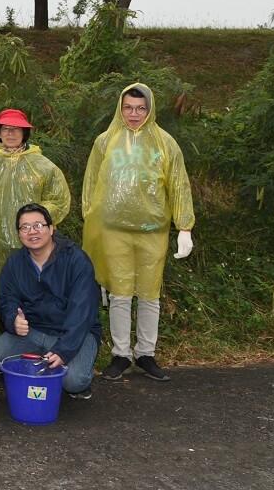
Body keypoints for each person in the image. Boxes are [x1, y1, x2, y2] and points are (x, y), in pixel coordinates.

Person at [82, 83, 195, 382]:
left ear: (150, 109)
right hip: (113, 231)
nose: (134, 114)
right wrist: (91, 221)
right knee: (120, 295)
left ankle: (146, 353)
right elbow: (91, 184)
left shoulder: (165, 143)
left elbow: (179, 184)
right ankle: (121, 355)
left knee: (149, 294)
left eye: (140, 108)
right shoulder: (105, 142)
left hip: (153, 231)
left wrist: (184, 226)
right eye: (128, 107)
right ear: (120, 108)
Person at [0, 204, 100, 399]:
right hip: (34, 330)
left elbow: (82, 312)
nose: (32, 231)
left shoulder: (76, 260)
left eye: (38, 225)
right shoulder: (15, 263)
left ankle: (59, 363)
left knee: (74, 382)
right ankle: (45, 362)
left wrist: (65, 349)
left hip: (73, 333)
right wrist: (13, 321)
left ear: (51, 228)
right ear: (19, 234)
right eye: (25, 227)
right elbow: (7, 299)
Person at [0, 109, 71, 299]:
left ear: (25, 133)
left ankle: (39, 321)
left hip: (35, 238)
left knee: (36, 283)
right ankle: (8, 320)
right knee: (6, 283)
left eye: (16, 129)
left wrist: (37, 222)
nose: (10, 134)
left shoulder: (42, 164)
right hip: (0, 241)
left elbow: (59, 200)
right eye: (6, 129)